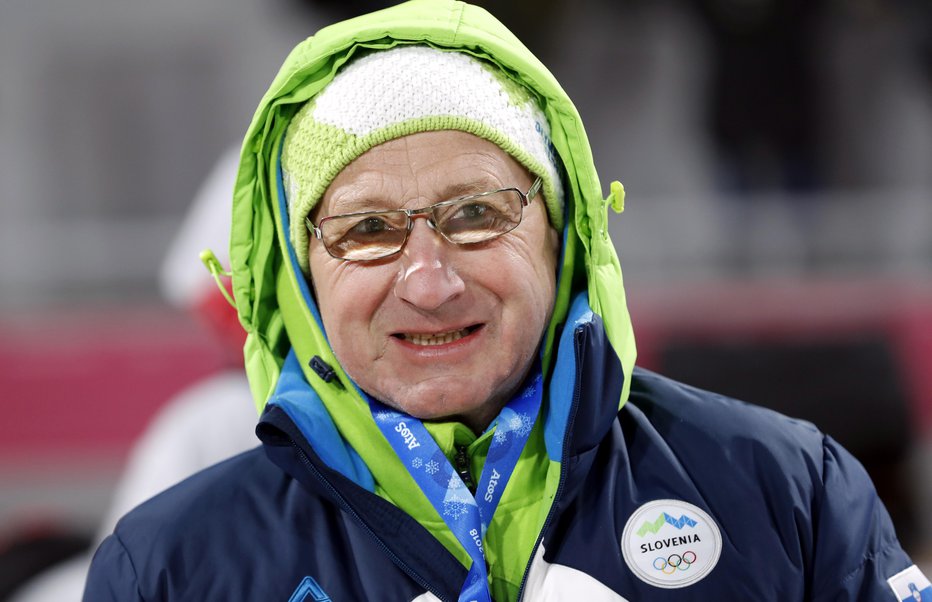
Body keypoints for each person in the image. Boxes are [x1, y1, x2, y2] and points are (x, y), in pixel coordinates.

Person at [83, 1, 926, 600]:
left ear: (566, 240)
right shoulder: (171, 565)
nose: (429, 278)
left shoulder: (790, 495)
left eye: (477, 215)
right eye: (367, 229)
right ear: (301, 280)